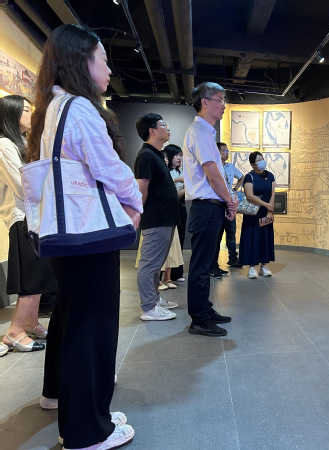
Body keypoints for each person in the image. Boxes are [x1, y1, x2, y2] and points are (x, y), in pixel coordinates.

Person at [28, 24, 141, 449]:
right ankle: (87, 432)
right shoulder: (80, 108)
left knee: (71, 315)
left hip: (66, 232)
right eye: (103, 60)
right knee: (92, 325)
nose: (109, 69)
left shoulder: (53, 107)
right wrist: (135, 204)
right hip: (89, 232)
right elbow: (109, 168)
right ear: (82, 61)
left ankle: (59, 397)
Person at [0, 95, 56, 354]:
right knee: (32, 279)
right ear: (11, 114)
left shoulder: (21, 143)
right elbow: (23, 187)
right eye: (25, 110)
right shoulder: (4, 145)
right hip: (22, 219)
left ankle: (31, 323)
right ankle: (14, 332)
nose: (31, 114)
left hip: (34, 217)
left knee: (40, 275)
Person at [182, 82, 237, 337]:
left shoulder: (204, 132)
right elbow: (213, 174)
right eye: (220, 99)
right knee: (201, 266)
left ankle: (205, 309)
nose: (224, 105)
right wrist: (230, 201)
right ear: (205, 102)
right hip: (206, 207)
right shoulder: (200, 131)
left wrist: (226, 200)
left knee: (206, 264)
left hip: (210, 207)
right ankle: (199, 319)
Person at [134, 113, 179, 320]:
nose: (167, 128)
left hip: (166, 218)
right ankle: (149, 308)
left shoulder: (157, 155)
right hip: (156, 219)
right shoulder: (146, 156)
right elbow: (141, 190)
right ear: (152, 130)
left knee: (156, 264)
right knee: (149, 264)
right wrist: (137, 215)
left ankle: (154, 299)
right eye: (163, 125)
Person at [239, 151, 276, 279]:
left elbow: (272, 194)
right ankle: (252, 267)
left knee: (265, 238)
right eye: (258, 160)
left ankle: (264, 266)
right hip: (253, 213)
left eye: (262, 159)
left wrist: (269, 210)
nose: (262, 162)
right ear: (252, 164)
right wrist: (266, 205)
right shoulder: (249, 177)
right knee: (252, 238)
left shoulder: (270, 175)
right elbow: (249, 196)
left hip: (266, 212)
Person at [209, 142, 243, 278]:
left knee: (231, 231)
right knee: (216, 236)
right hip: (217, 203)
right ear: (217, 152)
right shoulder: (213, 166)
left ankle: (232, 258)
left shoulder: (230, 167)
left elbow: (241, 177)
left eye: (228, 151)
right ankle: (213, 265)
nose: (227, 153)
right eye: (224, 151)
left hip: (229, 203)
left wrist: (234, 190)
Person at [164, 144, 187, 283]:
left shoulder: (182, 172)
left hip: (181, 208)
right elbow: (171, 192)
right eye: (176, 155)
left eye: (181, 155)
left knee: (180, 240)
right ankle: (164, 274)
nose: (179, 158)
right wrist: (183, 185)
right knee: (168, 241)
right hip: (168, 208)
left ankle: (177, 273)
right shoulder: (165, 171)